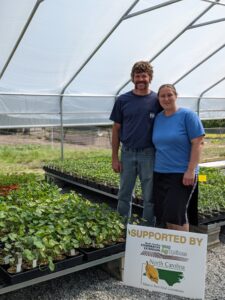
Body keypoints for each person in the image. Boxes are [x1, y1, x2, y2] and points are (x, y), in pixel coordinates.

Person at [109, 61, 162, 226]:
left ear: (150, 78)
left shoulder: (157, 100)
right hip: (127, 153)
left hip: (149, 154)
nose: (141, 79)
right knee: (124, 194)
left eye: (144, 76)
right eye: (137, 76)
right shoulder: (123, 100)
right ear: (132, 78)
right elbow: (116, 129)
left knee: (149, 196)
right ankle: (123, 227)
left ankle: (148, 229)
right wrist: (115, 158)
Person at [152, 84, 205, 232]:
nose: (166, 98)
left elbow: (198, 143)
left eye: (169, 95)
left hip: (181, 174)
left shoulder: (188, 115)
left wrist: (190, 170)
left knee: (177, 215)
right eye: (162, 96)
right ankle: (172, 251)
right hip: (160, 173)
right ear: (158, 99)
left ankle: (182, 253)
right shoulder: (158, 118)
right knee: (166, 215)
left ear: (176, 96)